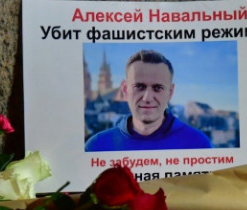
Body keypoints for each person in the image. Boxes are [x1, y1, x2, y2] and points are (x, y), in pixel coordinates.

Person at [85, 50, 213, 151]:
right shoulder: (96, 146)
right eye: (139, 86)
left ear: (170, 92)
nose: (147, 98)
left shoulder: (198, 143)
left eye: (158, 88)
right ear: (124, 89)